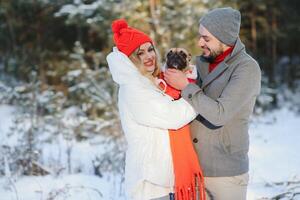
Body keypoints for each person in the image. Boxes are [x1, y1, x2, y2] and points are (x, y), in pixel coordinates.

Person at [164, 7, 261, 200]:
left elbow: (220, 114)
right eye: (200, 37)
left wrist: (185, 86)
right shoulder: (200, 63)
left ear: (224, 38)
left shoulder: (246, 68)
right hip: (193, 169)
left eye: (206, 39)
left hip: (226, 173)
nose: (200, 43)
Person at [106, 19, 198, 200]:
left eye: (150, 49)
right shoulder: (134, 88)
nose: (149, 56)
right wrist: (195, 94)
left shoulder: (150, 81)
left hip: (164, 180)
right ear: (130, 58)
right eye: (140, 53)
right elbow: (174, 116)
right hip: (151, 185)